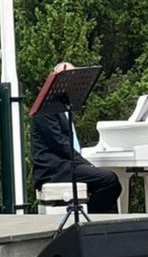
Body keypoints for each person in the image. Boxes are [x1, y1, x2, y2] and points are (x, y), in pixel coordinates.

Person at [30, 61, 122, 215]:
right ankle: (91, 220)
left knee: (111, 183)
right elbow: (60, 145)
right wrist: (86, 164)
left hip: (66, 165)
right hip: (53, 170)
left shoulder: (64, 107)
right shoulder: (46, 108)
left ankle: (95, 220)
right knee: (109, 180)